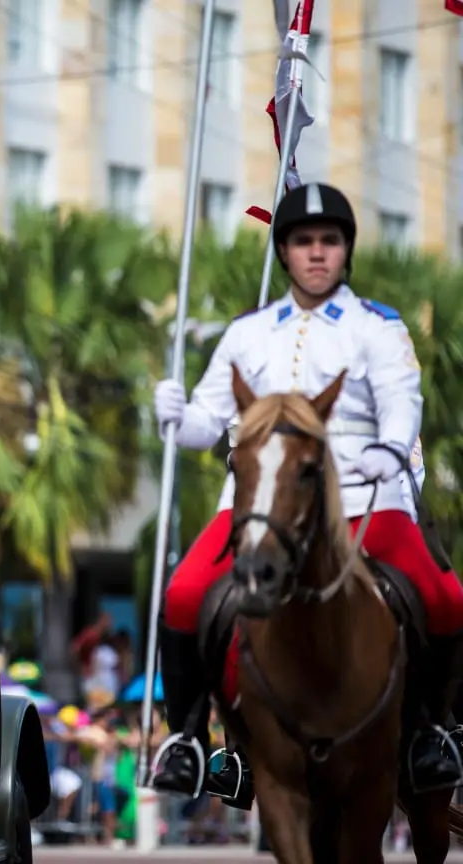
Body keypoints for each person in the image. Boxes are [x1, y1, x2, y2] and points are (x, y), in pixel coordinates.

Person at [148, 182, 463, 800]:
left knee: (445, 596)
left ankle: (430, 730)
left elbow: (403, 400)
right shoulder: (248, 333)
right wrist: (175, 416)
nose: (316, 253)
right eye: (302, 241)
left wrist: (390, 448)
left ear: (345, 252)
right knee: (184, 594)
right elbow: (208, 426)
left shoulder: (378, 327)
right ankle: (188, 737)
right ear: (285, 251)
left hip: (362, 488)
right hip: (266, 497)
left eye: (329, 241)